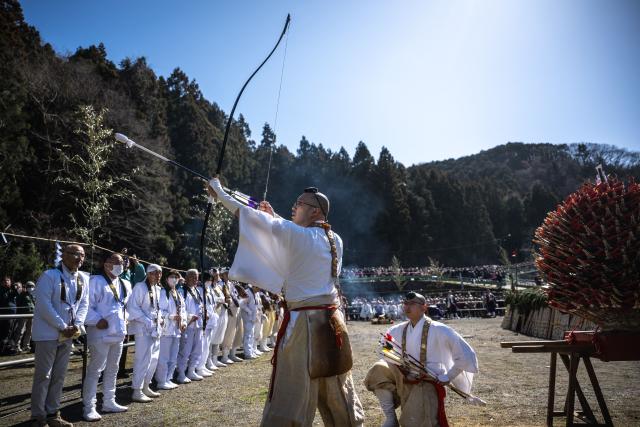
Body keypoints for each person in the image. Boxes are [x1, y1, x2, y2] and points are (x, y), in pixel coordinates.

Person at [207, 178, 364, 426]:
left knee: (291, 392)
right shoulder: (335, 239)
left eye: (299, 204)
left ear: (315, 211)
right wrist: (275, 216)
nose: (294, 207)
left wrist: (219, 193)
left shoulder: (297, 235)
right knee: (338, 387)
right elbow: (297, 234)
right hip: (333, 322)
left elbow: (247, 216)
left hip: (305, 324)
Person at [364, 292, 478, 427]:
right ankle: (391, 418)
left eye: (412, 304)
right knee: (377, 371)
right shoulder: (396, 329)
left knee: (412, 422)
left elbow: (466, 355)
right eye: (405, 303)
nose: (407, 307)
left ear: (424, 308)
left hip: (427, 382)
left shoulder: (440, 329)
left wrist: (448, 376)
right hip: (404, 377)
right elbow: (385, 349)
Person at [30, 244, 90, 427]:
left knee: (59, 375)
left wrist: (77, 324)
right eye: (75, 254)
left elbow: (84, 304)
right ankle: (38, 416)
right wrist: (62, 326)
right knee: (44, 375)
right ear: (64, 256)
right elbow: (43, 304)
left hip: (69, 334)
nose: (79, 258)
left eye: (82, 255)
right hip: (48, 333)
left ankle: (53, 413)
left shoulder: (83, 278)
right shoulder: (49, 276)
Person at [82, 253, 132, 421]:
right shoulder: (95, 281)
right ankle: (89, 407)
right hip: (100, 332)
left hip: (117, 333)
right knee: (95, 370)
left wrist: (124, 327)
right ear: (106, 263)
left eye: (122, 262)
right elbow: (85, 306)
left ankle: (109, 401)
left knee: (113, 369)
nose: (121, 265)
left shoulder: (125, 283)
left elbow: (125, 307)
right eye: (116, 262)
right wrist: (96, 320)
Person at [127, 264, 163, 403]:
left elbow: (157, 308)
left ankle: (146, 386)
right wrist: (147, 321)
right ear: (148, 274)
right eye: (154, 273)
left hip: (155, 329)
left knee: (153, 359)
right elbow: (133, 308)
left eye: (159, 273)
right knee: (142, 359)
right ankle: (137, 390)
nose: (157, 275)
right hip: (143, 329)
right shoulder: (140, 287)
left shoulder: (157, 288)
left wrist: (160, 320)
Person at [156, 270, 187, 389]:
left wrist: (183, 322)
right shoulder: (164, 292)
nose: (174, 279)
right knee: (164, 356)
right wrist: (171, 317)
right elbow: (160, 310)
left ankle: (168, 378)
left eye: (176, 277)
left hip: (176, 329)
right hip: (166, 329)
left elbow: (183, 310)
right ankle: (161, 380)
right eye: (172, 276)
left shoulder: (178, 293)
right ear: (167, 278)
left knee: (173, 356)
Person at [176, 269, 204, 383]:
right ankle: (181, 373)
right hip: (188, 325)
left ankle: (191, 370)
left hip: (198, 324)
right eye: (193, 277)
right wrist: (189, 318)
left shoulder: (197, 290)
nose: (195, 279)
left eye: (197, 277)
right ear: (186, 278)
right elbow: (181, 309)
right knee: (185, 350)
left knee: (197, 348)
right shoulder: (182, 291)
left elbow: (200, 306)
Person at [14, 281, 35, 353]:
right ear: (26, 287)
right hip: (23, 315)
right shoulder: (22, 294)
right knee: (21, 330)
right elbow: (18, 303)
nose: (31, 288)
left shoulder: (33, 295)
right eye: (29, 286)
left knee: (29, 331)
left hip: (31, 315)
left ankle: (26, 346)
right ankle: (16, 346)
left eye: (32, 286)